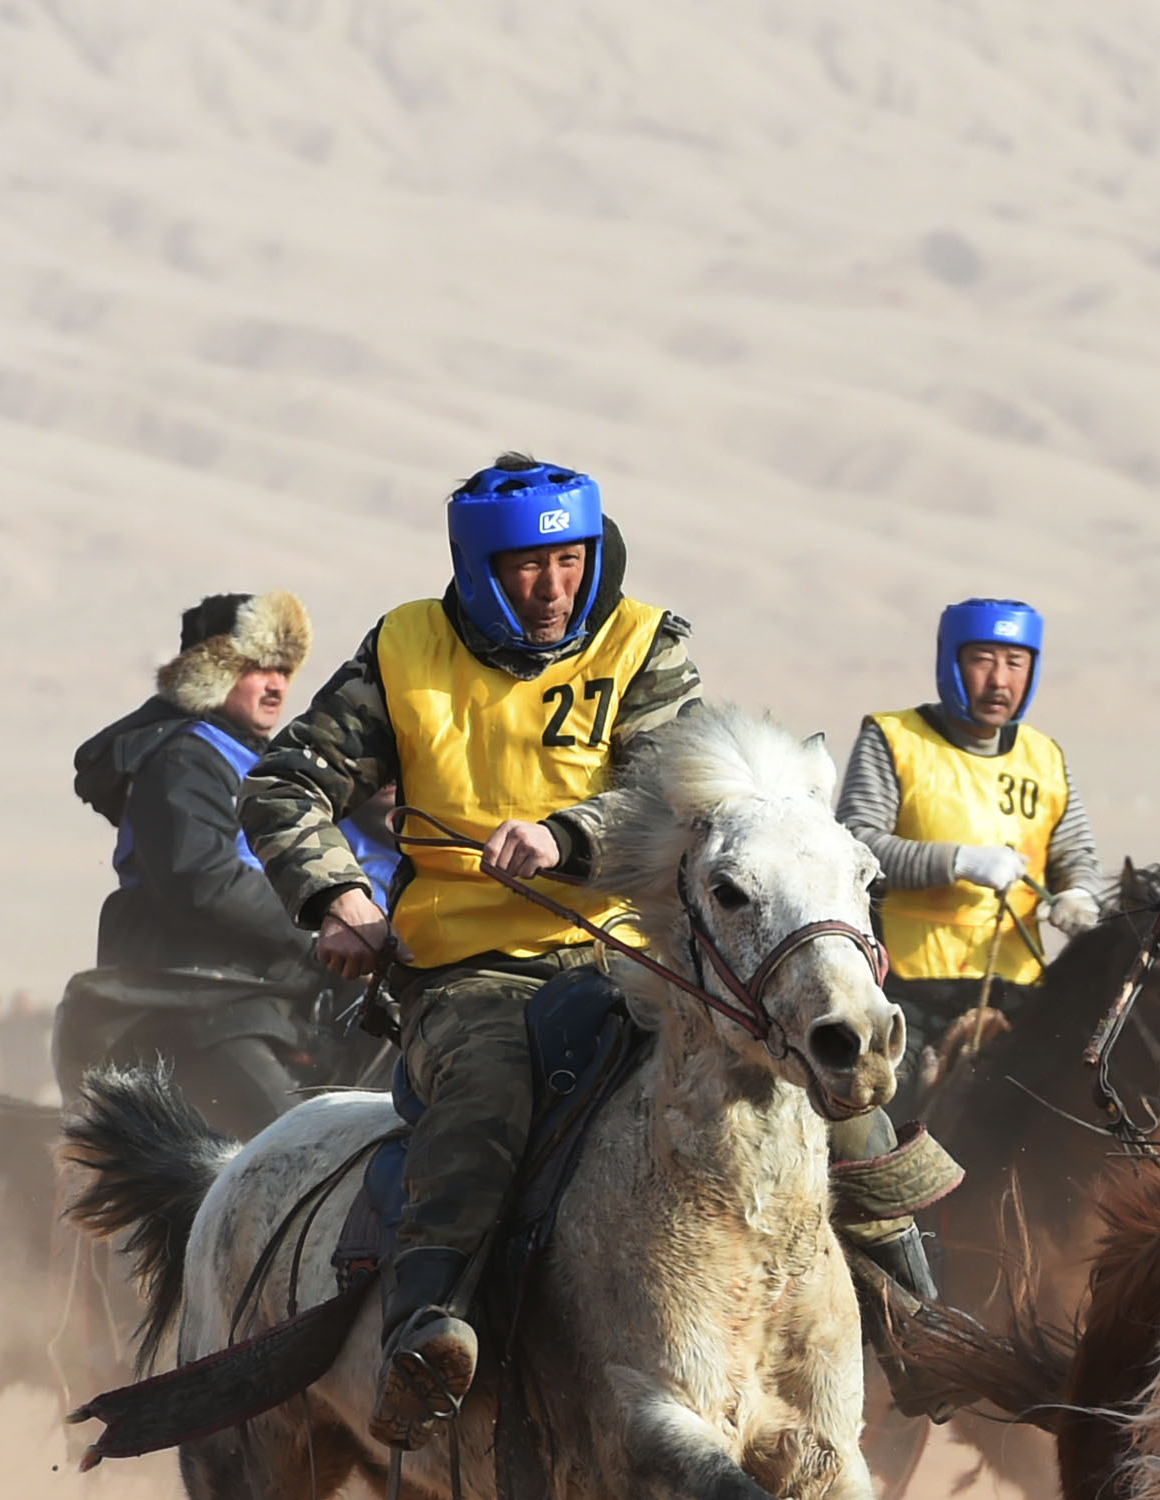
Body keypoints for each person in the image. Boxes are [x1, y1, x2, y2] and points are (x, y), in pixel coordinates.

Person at [243, 454, 943, 1448]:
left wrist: (566, 836)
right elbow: (281, 789)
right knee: (485, 1098)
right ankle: (423, 1336)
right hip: (465, 966)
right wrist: (337, 893)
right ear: (477, 566)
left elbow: (677, 797)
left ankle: (917, 1312)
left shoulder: (643, 645)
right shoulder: (403, 648)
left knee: (819, 1064)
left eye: (569, 559)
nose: (553, 585)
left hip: (625, 954)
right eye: (527, 566)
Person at [63, 590, 330, 1134]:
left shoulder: (253, 761)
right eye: (257, 668)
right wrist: (319, 925)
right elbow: (201, 879)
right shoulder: (185, 759)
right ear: (211, 673)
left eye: (284, 668)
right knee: (305, 1150)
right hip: (188, 1009)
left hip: (253, 998)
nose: (277, 684)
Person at [836, 599, 1107, 1102]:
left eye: (1015, 663)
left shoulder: (1045, 758)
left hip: (1017, 994)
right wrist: (957, 863)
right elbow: (855, 845)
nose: (999, 681)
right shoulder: (893, 739)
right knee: (871, 1121)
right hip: (906, 993)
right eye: (983, 659)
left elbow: (1077, 857)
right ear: (951, 661)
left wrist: (1082, 897)